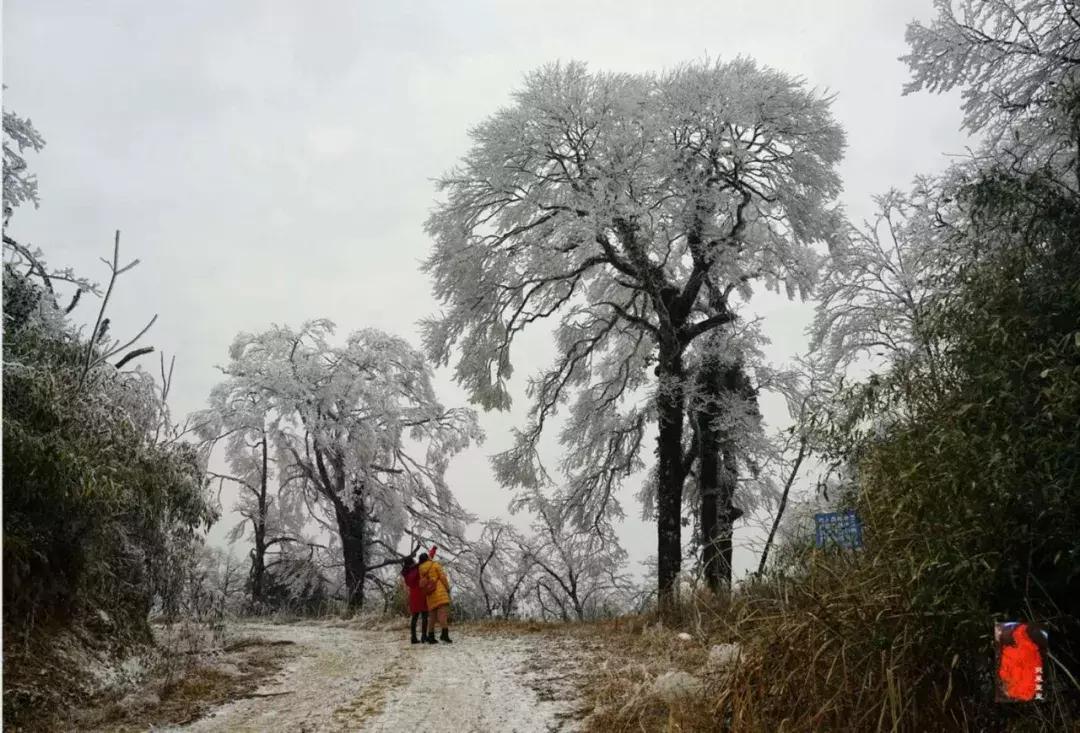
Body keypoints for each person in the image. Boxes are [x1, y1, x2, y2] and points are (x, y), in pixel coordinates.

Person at [418, 550, 452, 643]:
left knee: (432, 617)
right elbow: (443, 577)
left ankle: (431, 637)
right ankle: (444, 635)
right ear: (428, 558)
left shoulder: (420, 569)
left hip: (429, 594)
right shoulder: (435, 565)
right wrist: (447, 588)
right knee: (442, 615)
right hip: (439, 591)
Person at [400, 556, 428, 644]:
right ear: (412, 562)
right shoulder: (416, 570)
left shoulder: (406, 573)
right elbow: (424, 564)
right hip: (421, 594)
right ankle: (424, 636)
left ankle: (413, 637)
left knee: (414, 618)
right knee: (424, 616)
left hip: (413, 596)